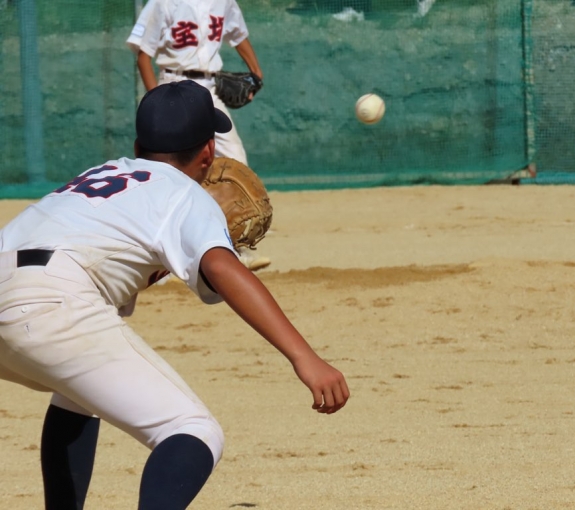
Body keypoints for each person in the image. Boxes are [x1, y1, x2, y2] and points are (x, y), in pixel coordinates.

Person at [0, 80, 349, 510]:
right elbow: (222, 268)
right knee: (193, 430)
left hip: (18, 287)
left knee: (78, 393)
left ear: (137, 146)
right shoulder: (186, 194)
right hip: (50, 301)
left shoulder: (99, 176)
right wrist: (304, 357)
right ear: (209, 152)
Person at [126, 0, 270, 271]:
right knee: (168, 169)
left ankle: (234, 246)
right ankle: (160, 250)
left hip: (208, 88)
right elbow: (144, 55)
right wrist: (157, 99)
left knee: (235, 160)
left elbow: (238, 33)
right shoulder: (164, 3)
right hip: (173, 84)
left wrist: (256, 71)